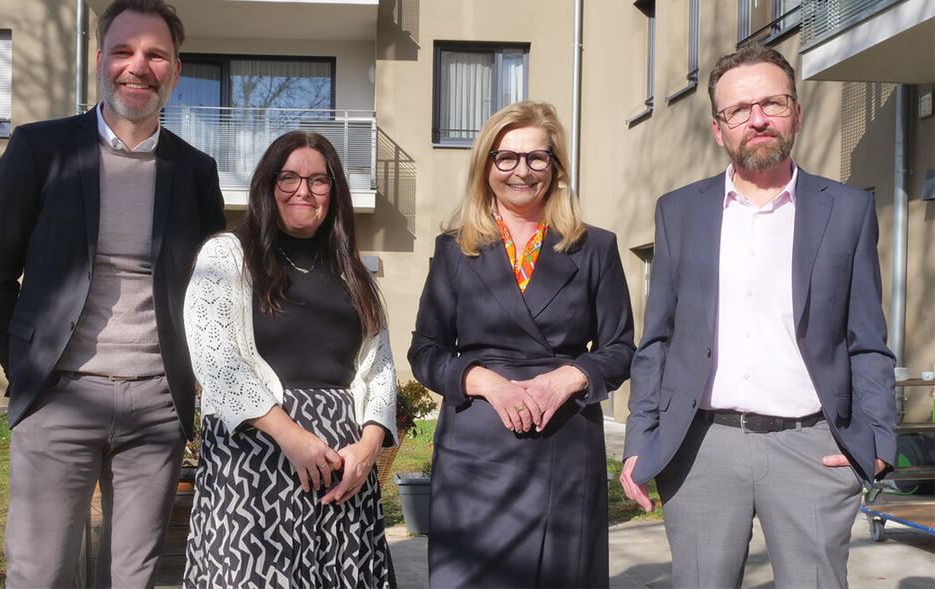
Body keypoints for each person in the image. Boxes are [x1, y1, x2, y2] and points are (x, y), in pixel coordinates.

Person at [0, 0, 226, 586]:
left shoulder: (195, 172)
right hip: (59, 398)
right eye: (125, 50)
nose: (139, 66)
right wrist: (33, 368)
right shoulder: (40, 150)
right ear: (101, 57)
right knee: (40, 572)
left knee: (130, 577)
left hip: (157, 408)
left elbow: (209, 294)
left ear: (176, 70)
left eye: (157, 54)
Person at [620, 45, 896, 588]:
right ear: (719, 129)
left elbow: (867, 339)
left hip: (812, 446)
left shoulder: (847, 211)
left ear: (797, 112)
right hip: (701, 448)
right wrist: (639, 440)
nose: (758, 119)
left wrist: (880, 439)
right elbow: (658, 341)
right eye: (739, 110)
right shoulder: (679, 211)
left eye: (772, 102)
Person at [408, 100, 636, 588]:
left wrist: (568, 378)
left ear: (555, 167)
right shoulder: (455, 249)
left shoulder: (594, 246)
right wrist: (487, 382)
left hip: (565, 446)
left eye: (537, 157)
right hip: (476, 450)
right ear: (486, 165)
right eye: (505, 157)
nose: (521, 171)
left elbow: (620, 348)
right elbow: (425, 351)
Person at [183, 131, 398, 587]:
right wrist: (292, 436)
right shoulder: (227, 255)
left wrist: (368, 446)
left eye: (319, 180)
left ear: (333, 193)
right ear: (267, 184)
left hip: (343, 472)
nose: (304, 190)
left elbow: (379, 367)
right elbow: (215, 358)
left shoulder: (352, 271)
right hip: (254, 462)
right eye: (290, 177)